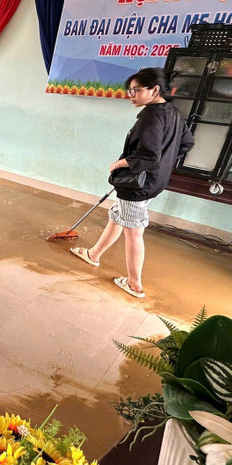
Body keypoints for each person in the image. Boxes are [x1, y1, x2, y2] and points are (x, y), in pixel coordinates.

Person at [68, 67, 194, 298]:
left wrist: (119, 164)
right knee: (118, 215)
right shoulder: (172, 112)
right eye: (130, 90)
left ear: (154, 90)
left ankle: (134, 283)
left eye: (136, 90)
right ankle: (94, 254)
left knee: (133, 231)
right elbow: (186, 143)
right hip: (154, 181)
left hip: (137, 184)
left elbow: (147, 155)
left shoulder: (151, 115)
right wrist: (165, 161)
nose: (131, 95)